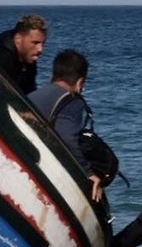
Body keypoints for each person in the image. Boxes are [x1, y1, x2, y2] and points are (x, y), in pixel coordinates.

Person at [27, 49, 103, 202]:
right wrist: (89, 174)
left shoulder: (31, 97)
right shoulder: (72, 102)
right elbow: (67, 138)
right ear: (80, 82)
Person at [0, 14, 48, 94]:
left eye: (43, 43)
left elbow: (30, 94)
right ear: (18, 39)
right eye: (35, 43)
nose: (40, 49)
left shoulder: (28, 62)